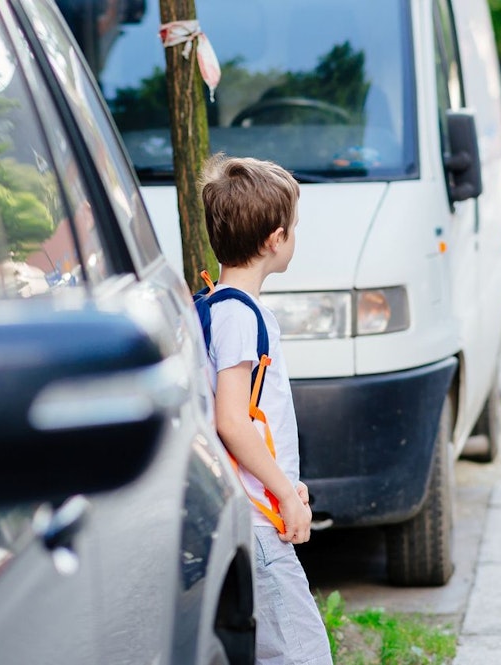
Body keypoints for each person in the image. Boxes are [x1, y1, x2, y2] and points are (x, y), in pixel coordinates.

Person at [199, 154, 333, 665]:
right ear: (276, 239)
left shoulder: (222, 306)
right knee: (302, 655)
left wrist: (283, 484)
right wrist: (283, 493)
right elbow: (232, 421)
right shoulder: (236, 316)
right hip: (256, 521)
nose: (294, 237)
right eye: (293, 227)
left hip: (255, 511)